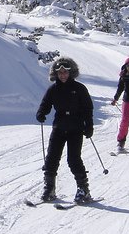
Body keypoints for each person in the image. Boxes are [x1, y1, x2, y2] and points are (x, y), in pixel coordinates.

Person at [35, 56, 95, 203]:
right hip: (59, 127)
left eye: (65, 72)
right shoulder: (53, 89)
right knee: (51, 158)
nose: (62, 75)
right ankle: (49, 188)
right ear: (55, 73)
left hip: (76, 128)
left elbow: (88, 108)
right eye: (59, 72)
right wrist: (41, 113)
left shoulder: (79, 88)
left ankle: (83, 190)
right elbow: (45, 104)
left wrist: (89, 125)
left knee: (73, 159)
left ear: (71, 72)